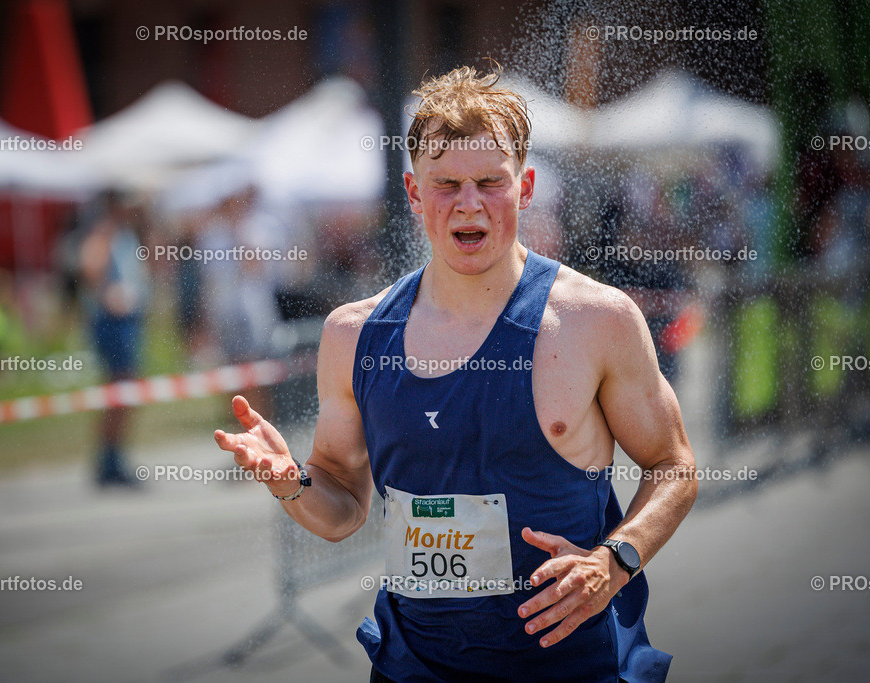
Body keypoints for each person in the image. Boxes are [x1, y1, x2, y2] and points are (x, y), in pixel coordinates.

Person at [215, 65, 697, 682]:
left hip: (571, 665)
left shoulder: (593, 320)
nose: (469, 204)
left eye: (489, 183)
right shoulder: (354, 335)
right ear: (414, 193)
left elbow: (674, 466)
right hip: (415, 666)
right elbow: (341, 507)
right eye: (446, 184)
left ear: (523, 187)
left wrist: (615, 560)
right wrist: (291, 483)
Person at [79, 190, 149, 487]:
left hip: (125, 322)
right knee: (119, 390)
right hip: (114, 323)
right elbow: (90, 265)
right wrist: (108, 297)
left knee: (125, 391)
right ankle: (110, 461)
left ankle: (112, 458)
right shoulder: (105, 230)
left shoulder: (123, 230)